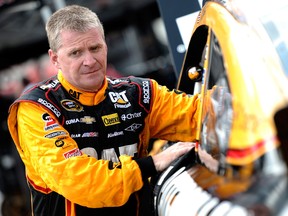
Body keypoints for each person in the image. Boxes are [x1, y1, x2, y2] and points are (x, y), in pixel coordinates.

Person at [7, 5, 200, 216]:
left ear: (106, 45)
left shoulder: (140, 94)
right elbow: (79, 181)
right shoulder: (36, 108)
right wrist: (151, 164)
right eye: (76, 53)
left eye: (95, 48)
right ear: (55, 59)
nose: (89, 61)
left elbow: (200, 116)